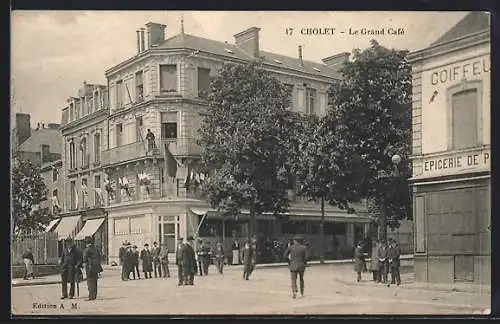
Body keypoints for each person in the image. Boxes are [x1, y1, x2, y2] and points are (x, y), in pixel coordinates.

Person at [83, 235, 102, 301]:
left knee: (90, 282)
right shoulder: (96, 249)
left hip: (89, 267)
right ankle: (94, 295)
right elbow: (99, 257)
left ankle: (91, 296)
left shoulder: (87, 250)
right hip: (96, 268)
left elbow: (84, 259)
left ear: (86, 243)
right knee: (95, 281)